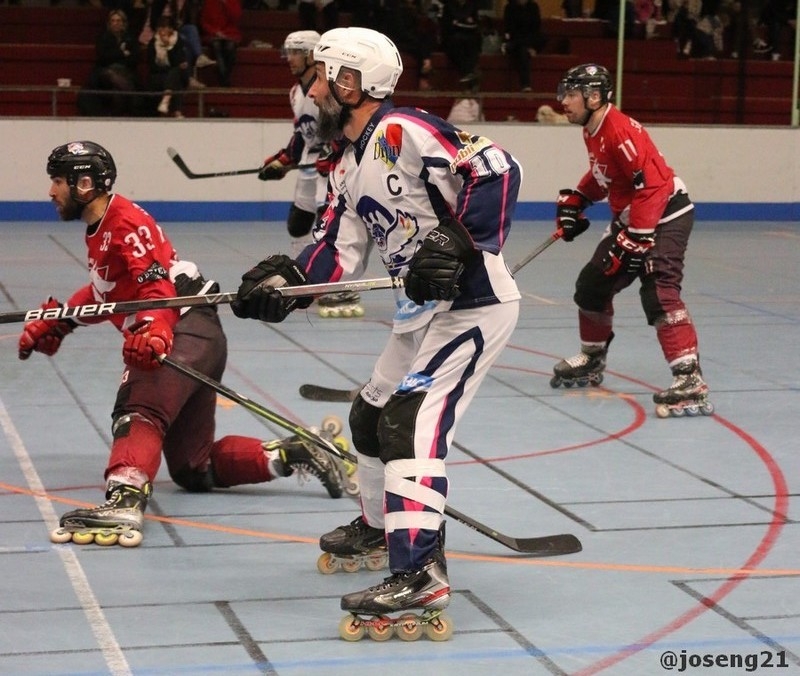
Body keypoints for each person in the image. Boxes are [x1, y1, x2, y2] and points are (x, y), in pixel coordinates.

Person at [231, 27, 522, 630]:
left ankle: (421, 575)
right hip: (419, 316)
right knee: (368, 418)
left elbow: (496, 167)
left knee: (410, 423)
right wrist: (284, 286)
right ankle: (378, 527)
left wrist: (458, 239)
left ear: (349, 81)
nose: (310, 91)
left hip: (472, 305)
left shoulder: (401, 130)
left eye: (319, 77)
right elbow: (336, 256)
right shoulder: (345, 164)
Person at [20, 141, 345, 546]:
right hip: (198, 334)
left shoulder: (126, 222)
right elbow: (106, 292)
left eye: (56, 181)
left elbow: (157, 288)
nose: (51, 191)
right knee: (194, 467)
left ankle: (123, 501)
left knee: (138, 410)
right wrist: (62, 321)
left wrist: (154, 330)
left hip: (184, 326)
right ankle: (293, 454)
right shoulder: (102, 229)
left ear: (83, 183)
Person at [550, 64, 712, 418]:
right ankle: (592, 358)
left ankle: (689, 378)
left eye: (571, 94)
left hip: (666, 216)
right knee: (592, 285)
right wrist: (578, 198)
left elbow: (653, 186)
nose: (564, 101)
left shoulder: (621, 131)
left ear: (594, 97)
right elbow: (604, 173)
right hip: (634, 218)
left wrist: (638, 238)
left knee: (658, 289)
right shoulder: (594, 128)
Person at [257, 30, 363, 318]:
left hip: (331, 168)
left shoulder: (331, 91)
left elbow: (345, 130)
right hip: (309, 167)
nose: (289, 58)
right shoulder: (296, 93)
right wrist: (283, 160)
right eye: (288, 52)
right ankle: (305, 277)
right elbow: (301, 137)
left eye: (295, 52)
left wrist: (333, 156)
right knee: (297, 224)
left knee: (328, 226)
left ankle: (335, 285)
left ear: (311, 55)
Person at [78, 9, 141, 117]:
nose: (116, 23)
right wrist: (122, 53)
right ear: (109, 23)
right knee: (109, 75)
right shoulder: (103, 37)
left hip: (126, 72)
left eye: (118, 21)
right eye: (113, 21)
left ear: (123, 23)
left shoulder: (131, 38)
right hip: (105, 73)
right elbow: (103, 57)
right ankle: (128, 96)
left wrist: (116, 55)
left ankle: (115, 115)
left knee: (117, 90)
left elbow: (134, 59)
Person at [146, 16, 190, 117]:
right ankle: (177, 111)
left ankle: (166, 100)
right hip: (159, 75)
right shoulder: (153, 43)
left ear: (171, 29)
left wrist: (168, 47)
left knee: (175, 73)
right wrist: (170, 69)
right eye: (160, 28)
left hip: (177, 74)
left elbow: (179, 62)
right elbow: (152, 66)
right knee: (174, 79)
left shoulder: (178, 41)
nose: (162, 31)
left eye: (165, 27)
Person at [502, 0, 545, 92]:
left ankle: (532, 49)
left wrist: (532, 46)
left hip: (530, 39)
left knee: (542, 38)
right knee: (522, 51)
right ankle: (525, 84)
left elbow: (536, 28)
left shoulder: (533, 6)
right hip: (516, 40)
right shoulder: (509, 7)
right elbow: (509, 28)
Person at [440, 0, 482, 88]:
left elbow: (476, 23)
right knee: (457, 42)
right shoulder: (449, 6)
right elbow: (446, 26)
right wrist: (463, 20)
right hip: (452, 35)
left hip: (469, 34)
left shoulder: (472, 5)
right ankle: (468, 73)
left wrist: (461, 21)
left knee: (473, 42)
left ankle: (469, 73)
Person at [200, 0, 242, 87]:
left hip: (230, 33)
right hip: (213, 33)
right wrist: (215, 32)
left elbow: (236, 18)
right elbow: (204, 22)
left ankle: (223, 77)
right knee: (216, 45)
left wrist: (226, 4)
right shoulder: (209, 2)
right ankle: (224, 80)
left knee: (230, 47)